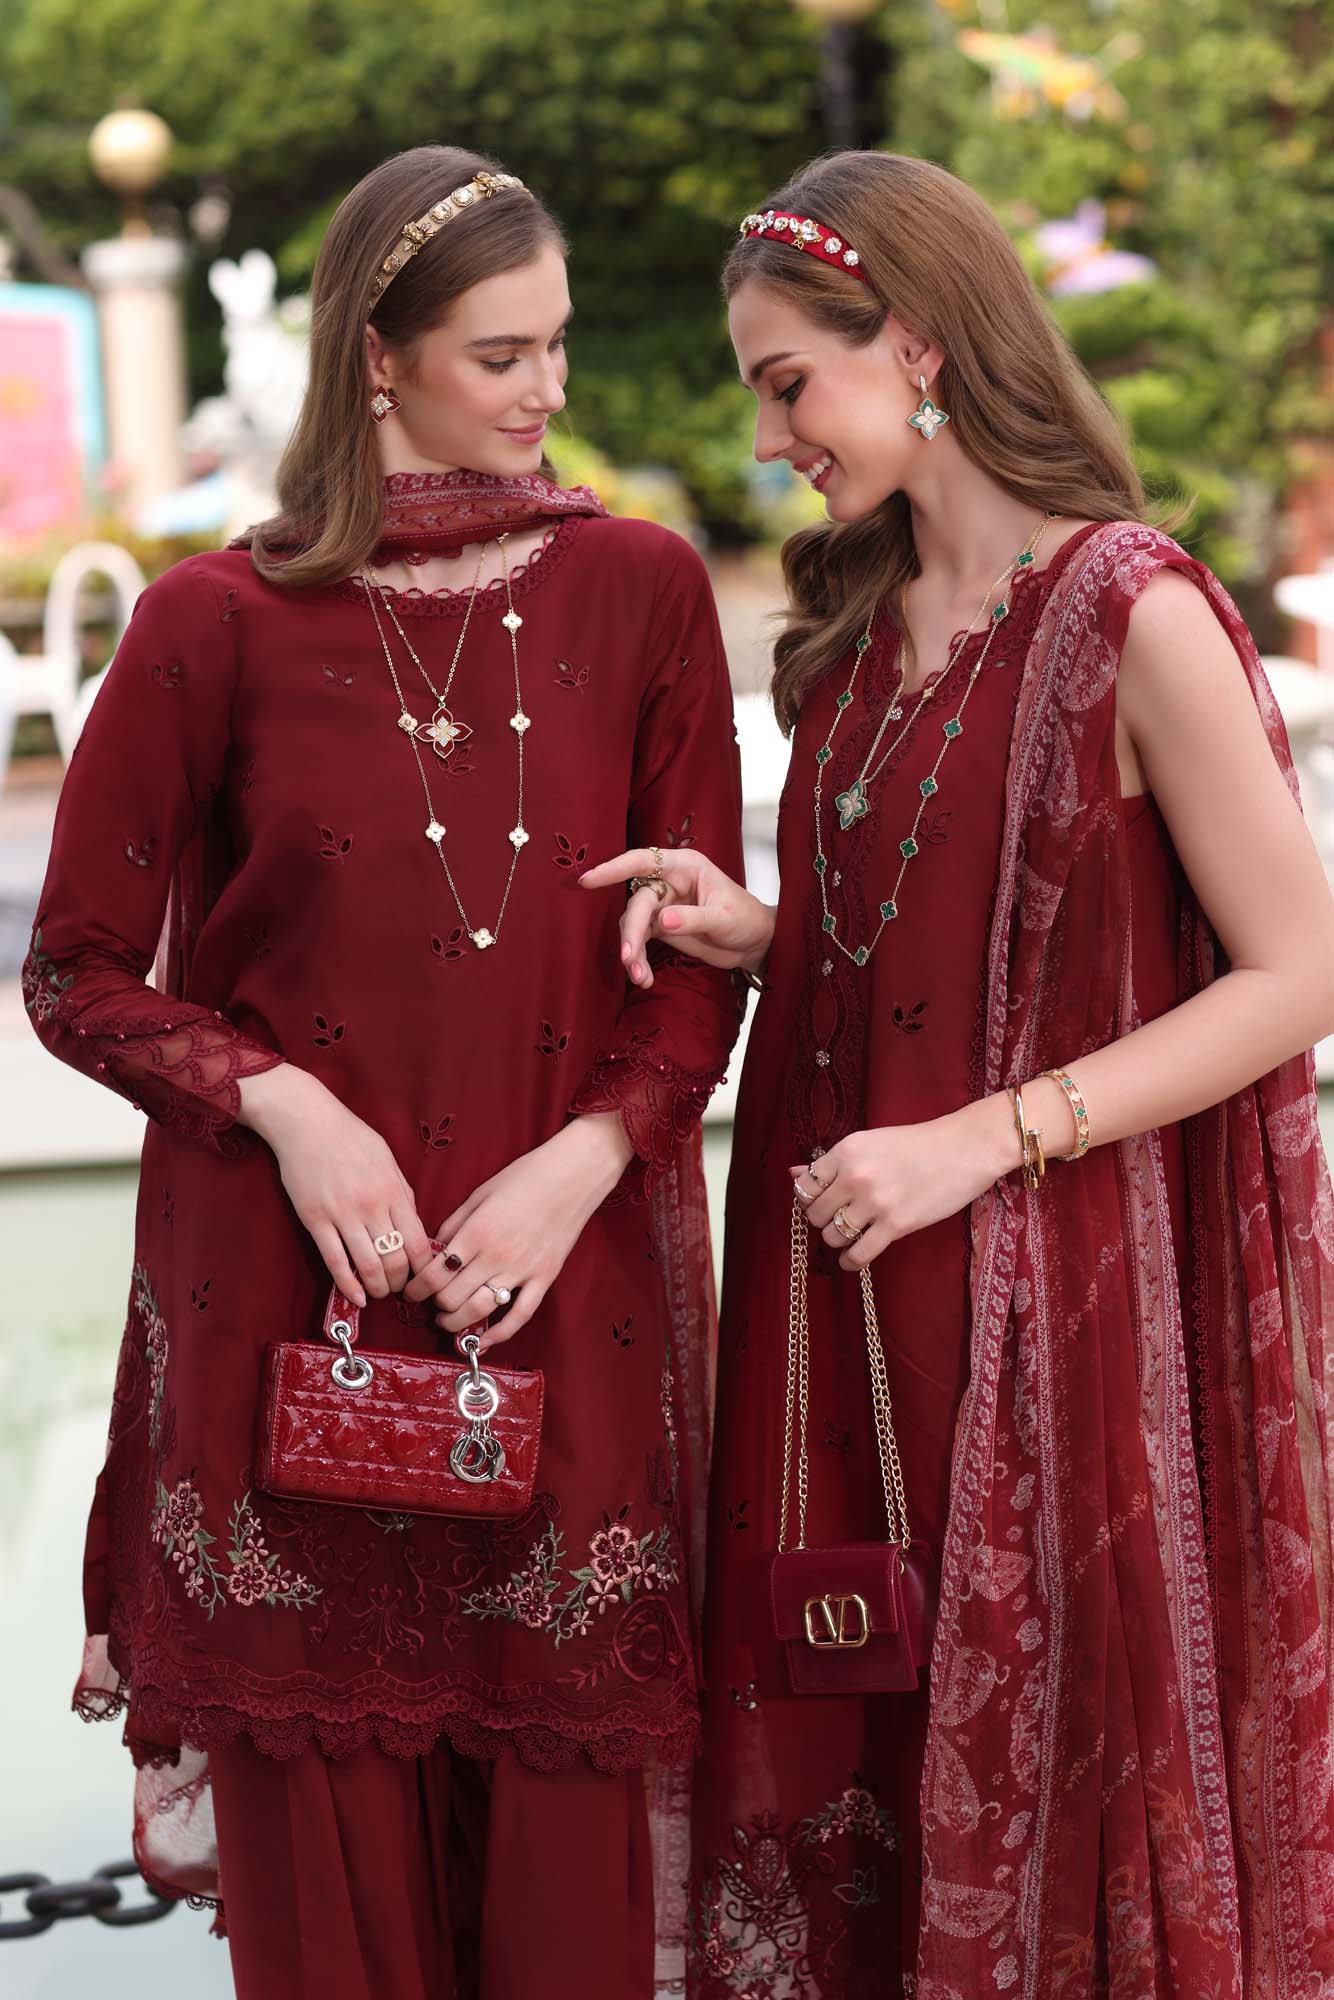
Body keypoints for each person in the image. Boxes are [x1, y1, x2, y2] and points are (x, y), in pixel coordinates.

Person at [582, 150, 1334, 1996]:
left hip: (1051, 1314)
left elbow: (1302, 972)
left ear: (914, 343)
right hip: (841, 1301)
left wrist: (976, 1144)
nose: (772, 440)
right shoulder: (857, 634)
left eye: (789, 385)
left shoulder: (1131, 613)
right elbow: (950, 942)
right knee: (858, 1755)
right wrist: (766, 932)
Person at [23, 143, 744, 2000]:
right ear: (373, 356)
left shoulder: (642, 593)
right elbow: (75, 971)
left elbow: (689, 979)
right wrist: (284, 1107)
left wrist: (583, 1163)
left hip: (556, 1313)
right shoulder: (210, 623)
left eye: (556, 344)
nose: (547, 389)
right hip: (289, 1322)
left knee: (568, 1902)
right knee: (332, 1926)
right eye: (502, 354)